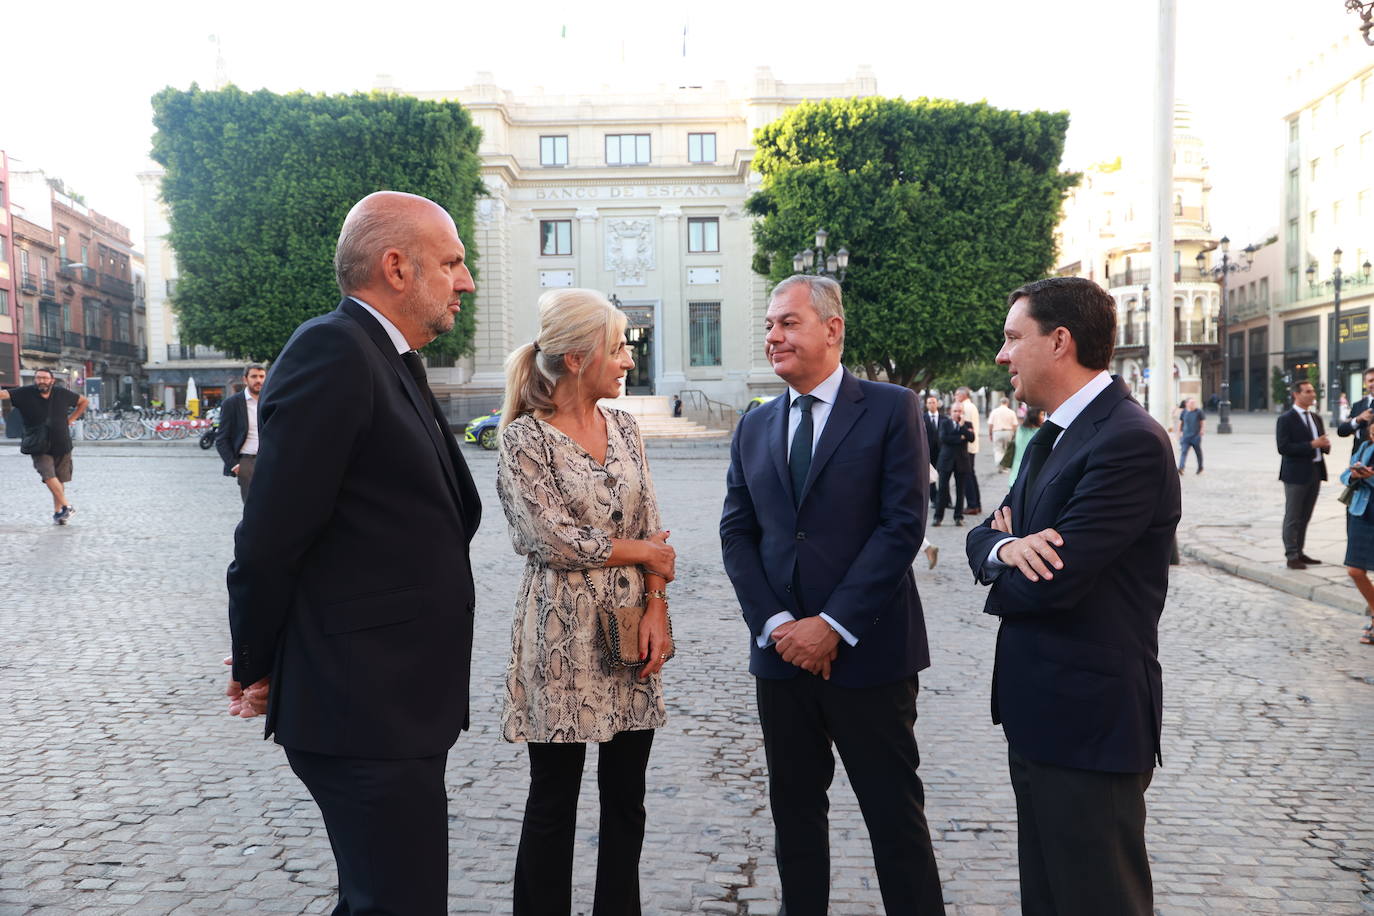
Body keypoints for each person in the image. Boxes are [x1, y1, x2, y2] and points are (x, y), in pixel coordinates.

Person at [224, 191, 482, 914]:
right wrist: (258, 664)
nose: (466, 282)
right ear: (396, 267)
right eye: (453, 263)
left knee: (390, 900)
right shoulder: (334, 350)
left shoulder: (389, 358)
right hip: (361, 705)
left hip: (394, 701)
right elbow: (270, 537)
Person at [720, 274, 944, 915]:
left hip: (869, 656)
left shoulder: (891, 407)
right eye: (768, 325)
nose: (773, 336)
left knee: (895, 823)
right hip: (782, 661)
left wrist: (833, 625)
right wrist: (778, 625)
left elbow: (902, 526)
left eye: (788, 322)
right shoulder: (755, 426)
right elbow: (738, 533)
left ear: (832, 329)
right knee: (795, 824)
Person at [964, 276, 1181, 915]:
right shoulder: (1054, 434)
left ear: (1060, 341)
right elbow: (983, 534)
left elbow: (1052, 584)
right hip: (1038, 717)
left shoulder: (1128, 441)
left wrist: (1006, 556)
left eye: (1013, 338)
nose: (1003, 355)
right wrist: (1006, 549)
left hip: (1092, 727)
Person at [495, 289, 675, 915]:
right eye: (619, 347)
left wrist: (656, 605)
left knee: (627, 798)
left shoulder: (625, 427)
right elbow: (549, 540)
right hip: (558, 638)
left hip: (630, 630)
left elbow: (655, 529)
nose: (628, 360)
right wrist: (643, 553)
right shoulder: (523, 440)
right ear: (576, 358)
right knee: (554, 800)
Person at [1, 368, 89, 524]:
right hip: (38, 443)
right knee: (48, 475)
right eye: (38, 378)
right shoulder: (25, 393)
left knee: (59, 478)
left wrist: (71, 419)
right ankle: (67, 506)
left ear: (52, 380)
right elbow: (3, 395)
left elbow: (84, 401)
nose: (41, 381)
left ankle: (59, 513)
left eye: (45, 378)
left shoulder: (61, 393)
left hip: (61, 441)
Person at [1277, 380, 1330, 570]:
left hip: (1315, 471)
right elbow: (1283, 447)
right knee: (1293, 516)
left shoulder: (1316, 417)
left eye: (1313, 391)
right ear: (1296, 395)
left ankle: (1300, 551)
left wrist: (1324, 446)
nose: (1313, 394)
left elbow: (1320, 442)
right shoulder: (1286, 419)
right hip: (1295, 474)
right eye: (1308, 391)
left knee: (1305, 515)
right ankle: (1291, 555)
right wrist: (1312, 445)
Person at [1339, 425, 1374, 646]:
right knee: (1354, 569)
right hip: (1361, 512)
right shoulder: (1364, 447)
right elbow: (1344, 475)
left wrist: (1370, 478)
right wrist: (1353, 475)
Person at [215, 364, 267, 503]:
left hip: (269, 461)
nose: (259, 380)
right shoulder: (232, 403)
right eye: (254, 376)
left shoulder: (270, 401)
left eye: (262, 376)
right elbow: (221, 439)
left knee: (272, 505)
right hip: (247, 462)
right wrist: (235, 466)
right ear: (245, 379)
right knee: (252, 507)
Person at [934, 404, 974, 527]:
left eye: (960, 411)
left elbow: (971, 438)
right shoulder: (945, 423)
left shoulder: (967, 424)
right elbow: (944, 438)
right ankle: (938, 517)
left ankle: (958, 516)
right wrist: (960, 437)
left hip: (962, 461)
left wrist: (962, 428)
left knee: (960, 490)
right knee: (942, 489)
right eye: (955, 411)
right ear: (950, 412)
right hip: (946, 461)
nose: (957, 413)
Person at [955, 386, 982, 513]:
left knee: (967, 476)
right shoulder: (972, 406)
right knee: (971, 475)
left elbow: (966, 427)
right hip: (972, 445)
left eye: (956, 395)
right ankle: (976, 504)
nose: (955, 398)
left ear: (962, 395)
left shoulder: (964, 407)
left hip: (966, 446)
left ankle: (972, 504)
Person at [1337, 366, 1374, 456]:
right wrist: (1358, 419)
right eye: (1370, 381)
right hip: (1359, 457)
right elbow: (1341, 431)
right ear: (1365, 383)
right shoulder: (1357, 405)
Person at [1007, 407, 1046, 484]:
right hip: (1028, 472)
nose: (1044, 418)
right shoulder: (1039, 433)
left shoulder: (1019, 430)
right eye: (1042, 414)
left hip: (1016, 471)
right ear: (1035, 415)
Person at [1176, 396, 1205, 475]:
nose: (1193, 404)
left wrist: (1202, 431)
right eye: (1191, 403)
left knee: (1198, 453)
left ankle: (1200, 467)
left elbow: (1202, 422)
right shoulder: (1184, 412)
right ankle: (1181, 468)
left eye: (1194, 403)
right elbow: (1180, 423)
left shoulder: (1198, 411)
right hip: (1186, 436)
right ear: (1187, 404)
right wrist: (1178, 433)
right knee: (1184, 452)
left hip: (1195, 436)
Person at [987, 396, 1018, 471]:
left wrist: (990, 433)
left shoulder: (994, 411)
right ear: (1007, 403)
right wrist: (1014, 433)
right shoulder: (1011, 412)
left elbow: (990, 424)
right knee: (1007, 449)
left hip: (997, 432)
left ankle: (999, 465)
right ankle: (1005, 466)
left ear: (1000, 403)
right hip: (1008, 431)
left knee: (998, 449)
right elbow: (1015, 424)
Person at [923, 395, 942, 507]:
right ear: (926, 405)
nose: (931, 404)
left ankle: (946, 499)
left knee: (944, 477)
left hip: (942, 453)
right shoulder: (922, 418)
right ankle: (934, 499)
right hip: (928, 452)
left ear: (937, 404)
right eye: (929, 403)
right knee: (930, 476)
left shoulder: (944, 418)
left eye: (933, 402)